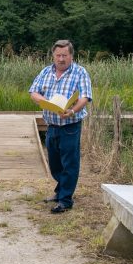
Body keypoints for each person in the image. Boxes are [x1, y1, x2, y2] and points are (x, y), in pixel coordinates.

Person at [29, 39, 92, 213]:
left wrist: (72, 111)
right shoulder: (45, 72)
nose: (61, 59)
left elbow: (84, 97)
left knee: (69, 163)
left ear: (71, 56)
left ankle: (65, 199)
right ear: (53, 55)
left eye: (65, 55)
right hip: (51, 124)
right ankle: (59, 191)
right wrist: (44, 101)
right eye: (58, 55)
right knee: (54, 163)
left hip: (70, 124)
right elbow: (33, 91)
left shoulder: (80, 72)